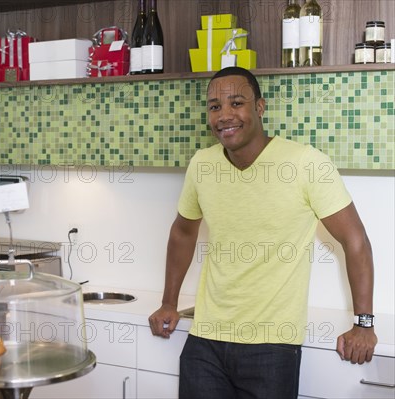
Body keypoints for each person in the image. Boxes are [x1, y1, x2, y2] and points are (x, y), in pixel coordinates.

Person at [148, 66, 377, 398]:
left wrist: (364, 324)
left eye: (236, 103)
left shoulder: (305, 163)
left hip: (273, 345)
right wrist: (168, 302)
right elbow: (183, 233)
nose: (224, 115)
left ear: (259, 106)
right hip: (206, 343)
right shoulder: (202, 164)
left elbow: (355, 240)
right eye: (214, 107)